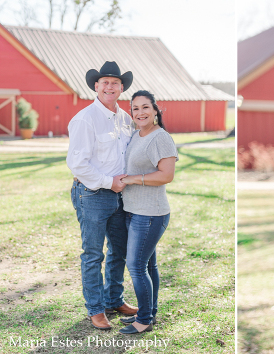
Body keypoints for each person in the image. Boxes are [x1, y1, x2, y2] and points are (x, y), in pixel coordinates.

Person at [67, 61, 139, 330]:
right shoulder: (85, 118)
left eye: (115, 83)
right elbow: (78, 165)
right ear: (96, 86)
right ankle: (96, 309)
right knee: (93, 254)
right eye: (104, 82)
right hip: (92, 194)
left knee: (119, 250)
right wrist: (109, 182)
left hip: (121, 196)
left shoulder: (125, 119)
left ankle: (114, 299)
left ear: (122, 88)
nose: (110, 86)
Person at [116, 90, 178, 334]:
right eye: (135, 109)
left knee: (136, 266)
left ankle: (143, 320)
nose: (140, 113)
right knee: (149, 266)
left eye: (145, 107)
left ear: (155, 111)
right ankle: (149, 314)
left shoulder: (160, 138)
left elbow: (167, 175)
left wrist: (133, 179)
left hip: (150, 214)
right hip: (133, 210)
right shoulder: (137, 135)